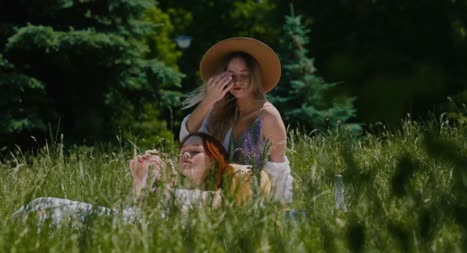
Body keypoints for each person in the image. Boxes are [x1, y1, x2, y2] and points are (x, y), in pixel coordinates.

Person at [13, 133, 271, 224]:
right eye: (182, 152)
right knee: (40, 202)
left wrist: (161, 183)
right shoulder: (173, 188)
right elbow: (126, 214)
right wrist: (139, 180)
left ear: (215, 160)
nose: (185, 156)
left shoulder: (218, 198)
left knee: (48, 212)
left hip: (119, 227)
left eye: (194, 152)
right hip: (117, 223)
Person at [180, 37, 293, 204]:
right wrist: (209, 100)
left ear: (256, 77)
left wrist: (276, 215)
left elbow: (279, 174)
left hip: (253, 203)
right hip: (213, 198)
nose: (238, 82)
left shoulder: (268, 117)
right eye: (231, 76)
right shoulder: (219, 109)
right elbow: (187, 138)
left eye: (245, 75)